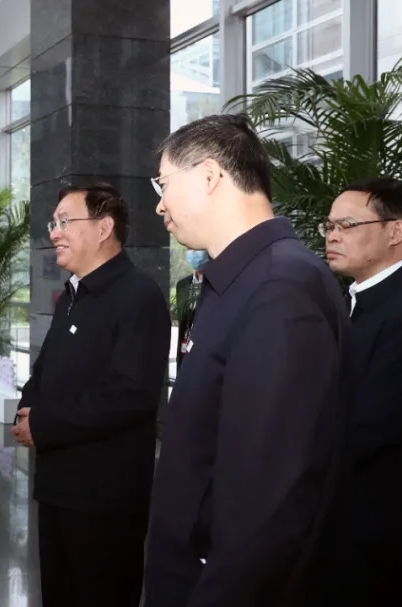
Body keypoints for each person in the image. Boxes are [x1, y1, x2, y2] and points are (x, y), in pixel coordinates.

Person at [144, 114, 350, 607]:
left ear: (209, 176)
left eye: (164, 184)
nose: (159, 204)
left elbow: (270, 499)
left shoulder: (279, 288)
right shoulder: (241, 278)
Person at [11, 184, 170, 607]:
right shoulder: (72, 296)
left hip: (106, 499)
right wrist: (27, 408)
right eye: (53, 223)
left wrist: (43, 424)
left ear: (103, 228)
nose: (54, 232)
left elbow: (130, 396)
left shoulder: (139, 297)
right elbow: (44, 370)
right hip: (58, 487)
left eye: (65, 221)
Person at [308, 178, 402, 606]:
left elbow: (369, 424)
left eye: (346, 225)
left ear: (395, 231)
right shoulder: (357, 299)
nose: (332, 235)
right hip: (337, 524)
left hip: (368, 532)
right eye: (329, 225)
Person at [174, 249, 208, 370]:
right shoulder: (183, 285)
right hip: (185, 351)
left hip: (206, 356)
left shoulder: (215, 284)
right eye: (190, 249)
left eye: (198, 250)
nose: (193, 253)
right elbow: (182, 324)